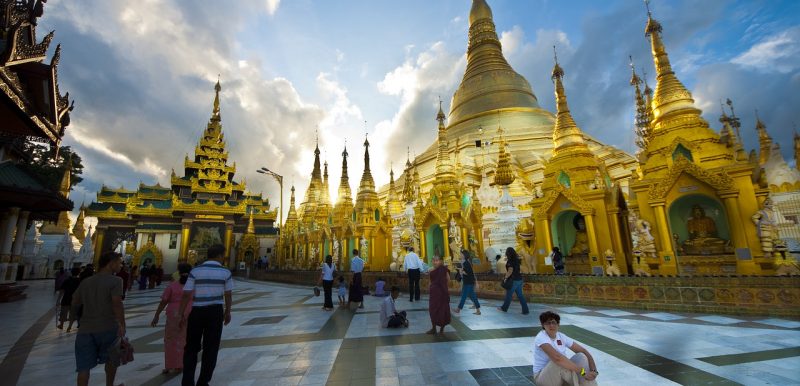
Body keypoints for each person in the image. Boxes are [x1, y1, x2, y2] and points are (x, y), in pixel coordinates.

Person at [179, 244, 233, 386]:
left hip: (196, 311)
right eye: (223, 256)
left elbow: (186, 294)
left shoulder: (195, 271)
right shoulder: (225, 272)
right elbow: (228, 294)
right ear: (220, 256)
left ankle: (187, 381)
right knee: (211, 348)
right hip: (215, 312)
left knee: (191, 348)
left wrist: (181, 314)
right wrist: (228, 311)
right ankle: (203, 382)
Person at [72, 252, 125, 386]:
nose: (120, 265)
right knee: (111, 361)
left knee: (83, 368)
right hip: (108, 327)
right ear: (111, 263)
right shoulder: (116, 281)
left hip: (85, 328)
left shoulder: (86, 281)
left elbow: (75, 301)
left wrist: (75, 318)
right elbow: (117, 303)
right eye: (119, 262)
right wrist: (122, 324)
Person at [533, 311, 599, 386]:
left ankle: (587, 383)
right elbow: (557, 358)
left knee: (581, 356)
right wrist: (582, 372)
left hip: (560, 376)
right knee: (558, 362)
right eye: (548, 323)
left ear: (558, 325)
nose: (551, 325)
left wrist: (593, 370)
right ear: (543, 325)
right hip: (543, 378)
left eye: (553, 322)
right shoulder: (541, 337)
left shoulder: (561, 336)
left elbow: (583, 351)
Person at [151, 263, 193, 374]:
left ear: (178, 272)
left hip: (174, 314)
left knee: (170, 339)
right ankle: (181, 364)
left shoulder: (172, 285)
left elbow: (164, 301)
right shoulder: (193, 286)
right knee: (185, 339)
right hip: (189, 313)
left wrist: (156, 315)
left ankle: (170, 365)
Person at [498, 247, 529, 315]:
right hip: (519, 279)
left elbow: (510, 270)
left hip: (514, 280)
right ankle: (525, 310)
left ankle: (504, 308)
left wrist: (505, 278)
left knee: (509, 295)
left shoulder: (510, 261)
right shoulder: (516, 260)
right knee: (520, 296)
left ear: (508, 253)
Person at [426, 255, 451, 335]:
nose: (435, 262)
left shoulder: (444, 270)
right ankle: (433, 328)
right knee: (432, 310)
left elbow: (448, 279)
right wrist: (430, 288)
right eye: (433, 260)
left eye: (437, 260)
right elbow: (430, 281)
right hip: (434, 293)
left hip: (442, 292)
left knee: (443, 310)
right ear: (431, 262)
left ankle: (442, 329)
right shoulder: (430, 270)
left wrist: (443, 286)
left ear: (440, 261)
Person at [454, 250, 481, 315]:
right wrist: (460, 270)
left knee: (464, 296)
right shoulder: (466, 262)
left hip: (468, 282)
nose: (460, 255)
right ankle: (478, 310)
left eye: (461, 254)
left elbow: (468, 273)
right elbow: (468, 272)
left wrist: (461, 271)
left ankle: (458, 309)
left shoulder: (466, 263)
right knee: (473, 296)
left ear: (464, 255)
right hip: (469, 282)